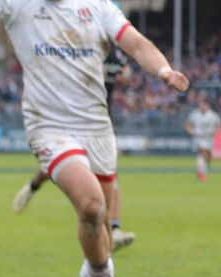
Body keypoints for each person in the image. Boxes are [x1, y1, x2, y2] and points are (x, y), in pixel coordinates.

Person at [0, 0, 189, 277]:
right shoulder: (16, 5)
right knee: (92, 204)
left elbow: (138, 44)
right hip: (49, 126)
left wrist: (163, 70)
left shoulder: (98, 7)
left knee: (98, 223)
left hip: (97, 128)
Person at [12, 43, 135, 251]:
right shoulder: (78, 46)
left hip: (101, 122)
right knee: (58, 166)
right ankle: (33, 185)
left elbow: (126, 72)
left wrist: (122, 75)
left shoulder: (114, 53)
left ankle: (113, 229)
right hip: (69, 119)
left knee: (111, 174)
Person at [184, 98, 221, 182]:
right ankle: (201, 174)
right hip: (198, 138)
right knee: (202, 152)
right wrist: (191, 132)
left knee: (209, 156)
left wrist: (215, 132)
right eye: (201, 105)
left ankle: (203, 170)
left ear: (208, 106)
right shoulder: (194, 114)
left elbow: (218, 125)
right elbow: (187, 125)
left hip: (208, 138)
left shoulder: (212, 115)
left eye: (204, 105)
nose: (202, 106)